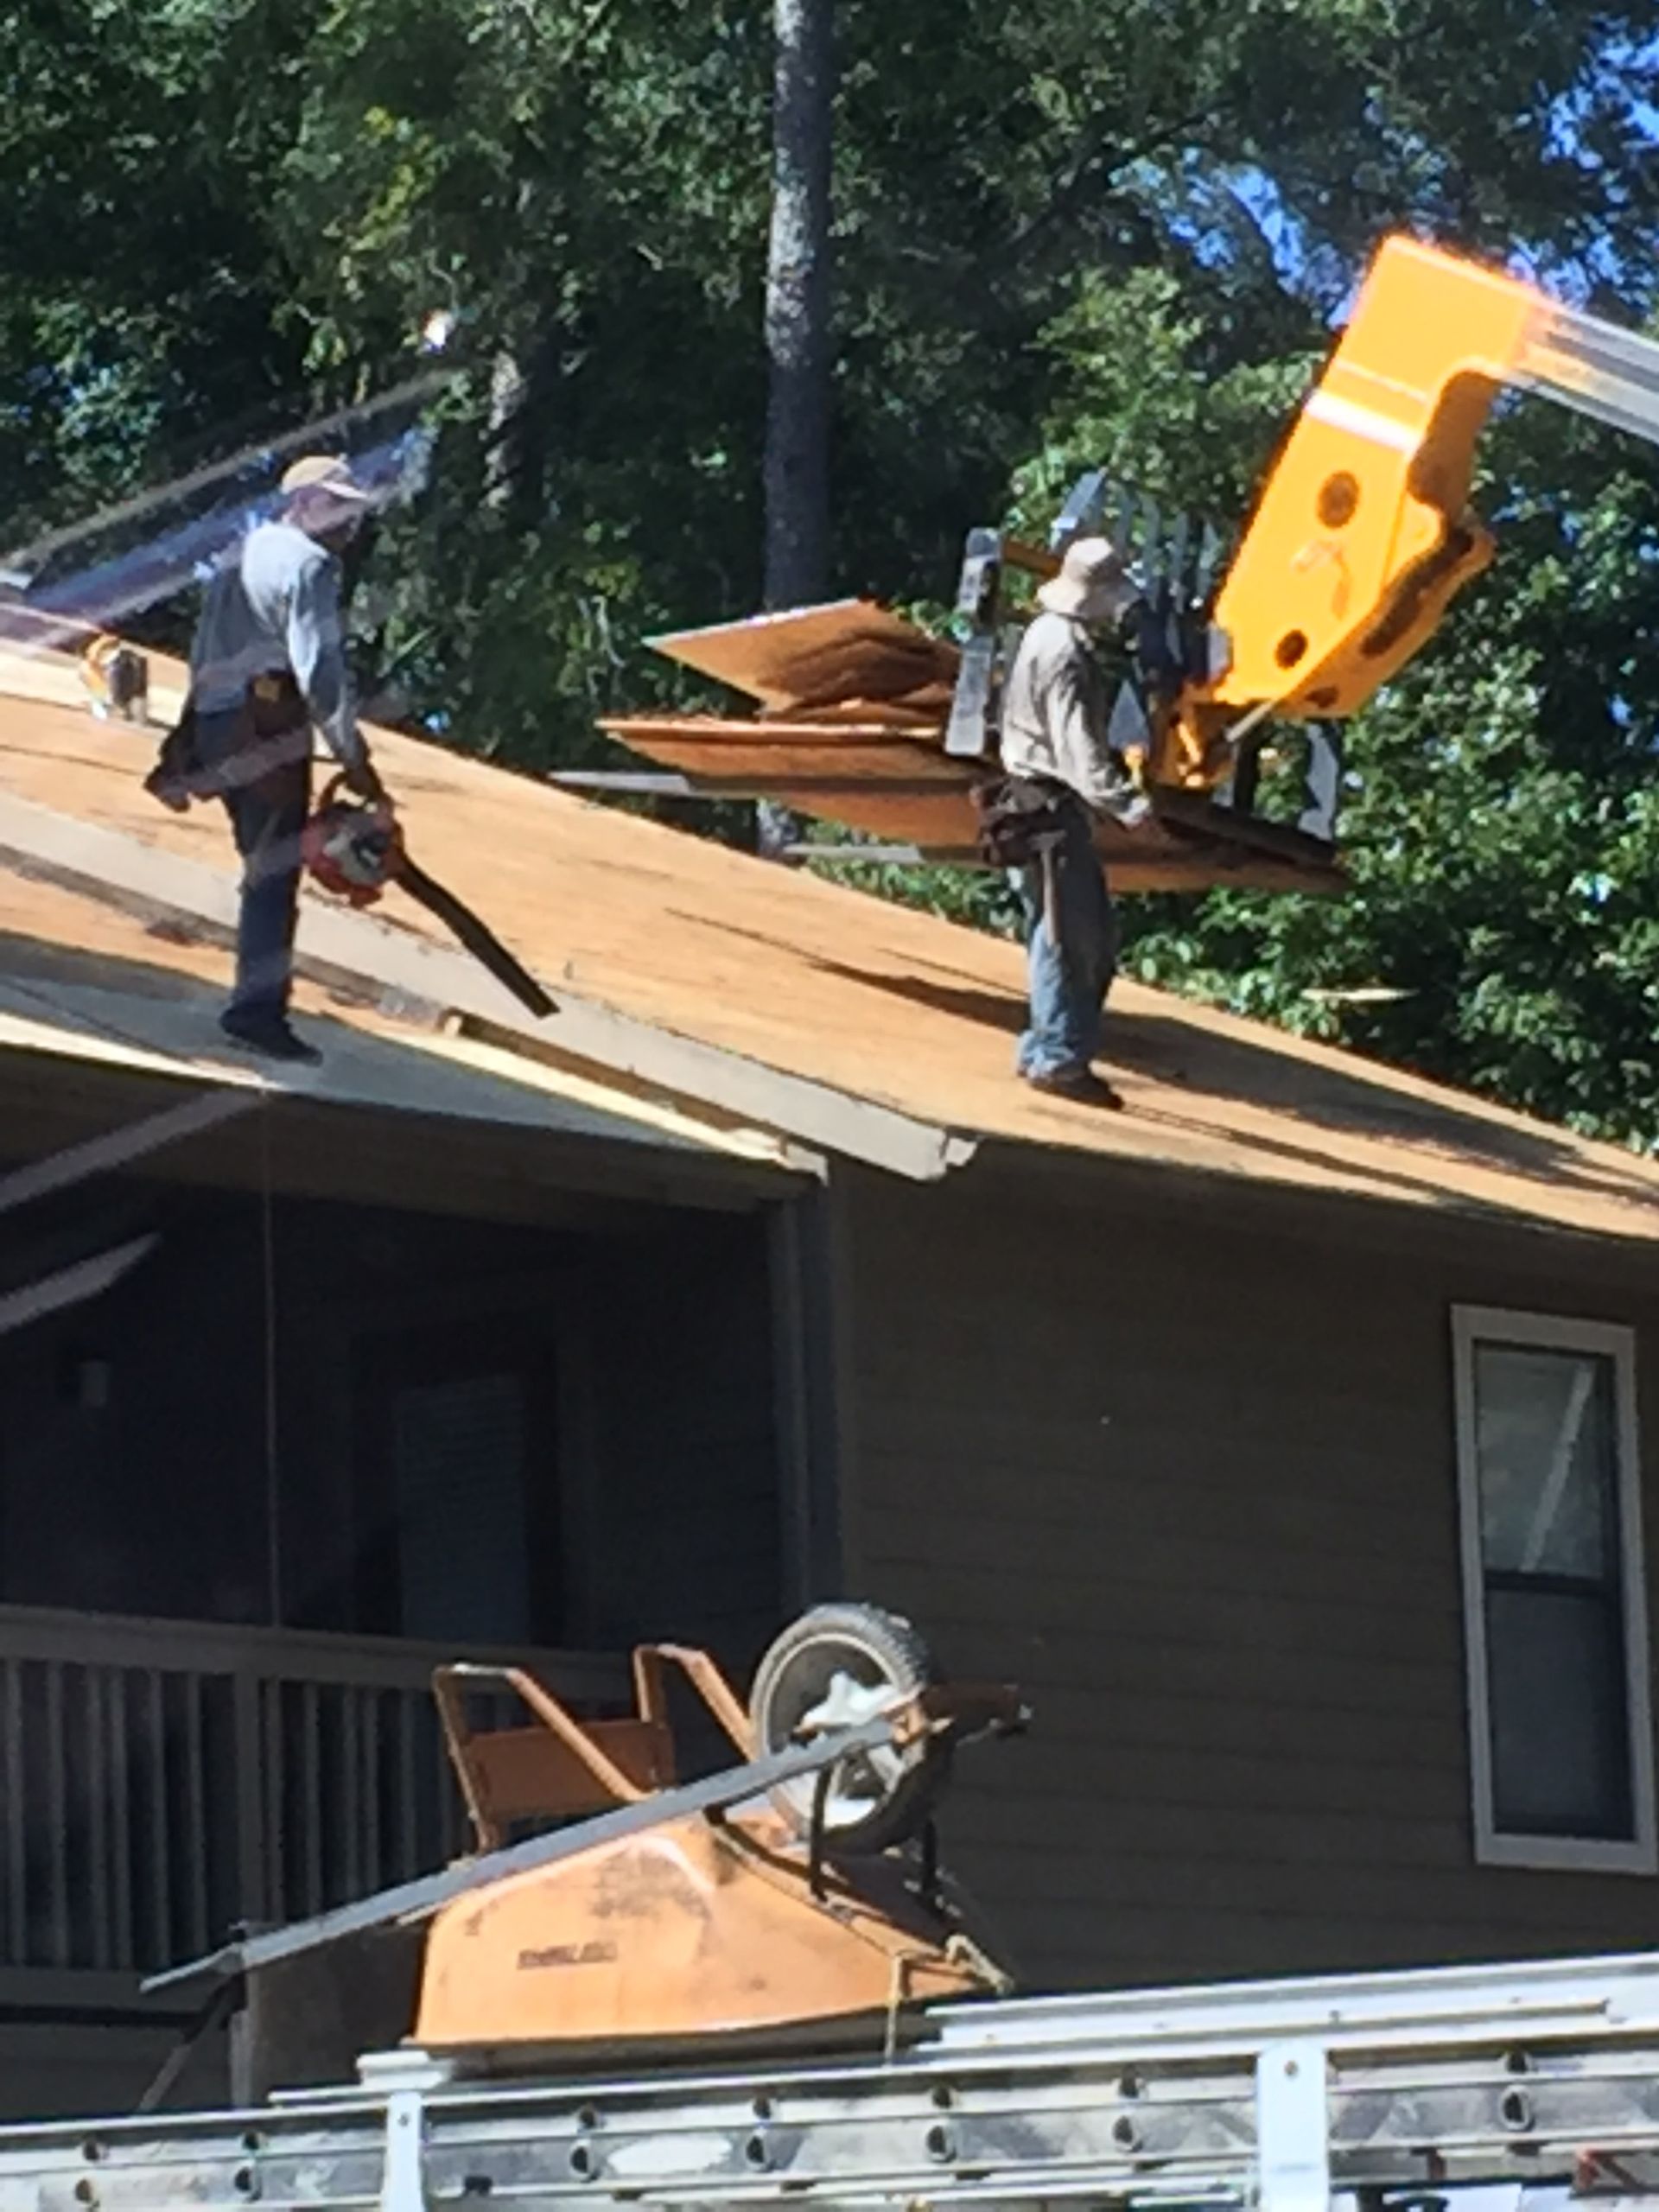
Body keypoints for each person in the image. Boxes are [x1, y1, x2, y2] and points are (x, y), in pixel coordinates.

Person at [155, 454, 385, 1064]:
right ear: (304, 503)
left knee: (261, 866)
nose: (348, 528)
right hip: (266, 727)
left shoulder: (242, 552)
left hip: (218, 720)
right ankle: (256, 1015)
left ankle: (255, 1003)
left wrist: (194, 733)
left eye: (355, 515)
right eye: (339, 509)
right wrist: (353, 756)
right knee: (273, 876)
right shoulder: (309, 565)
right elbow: (319, 672)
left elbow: (206, 649)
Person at [996, 535, 1148, 1109]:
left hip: (1030, 801)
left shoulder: (1042, 633)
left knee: (1052, 931)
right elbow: (1078, 752)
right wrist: (1129, 806)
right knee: (1077, 940)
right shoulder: (1067, 654)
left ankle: (1043, 1047)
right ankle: (1059, 1059)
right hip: (1051, 808)